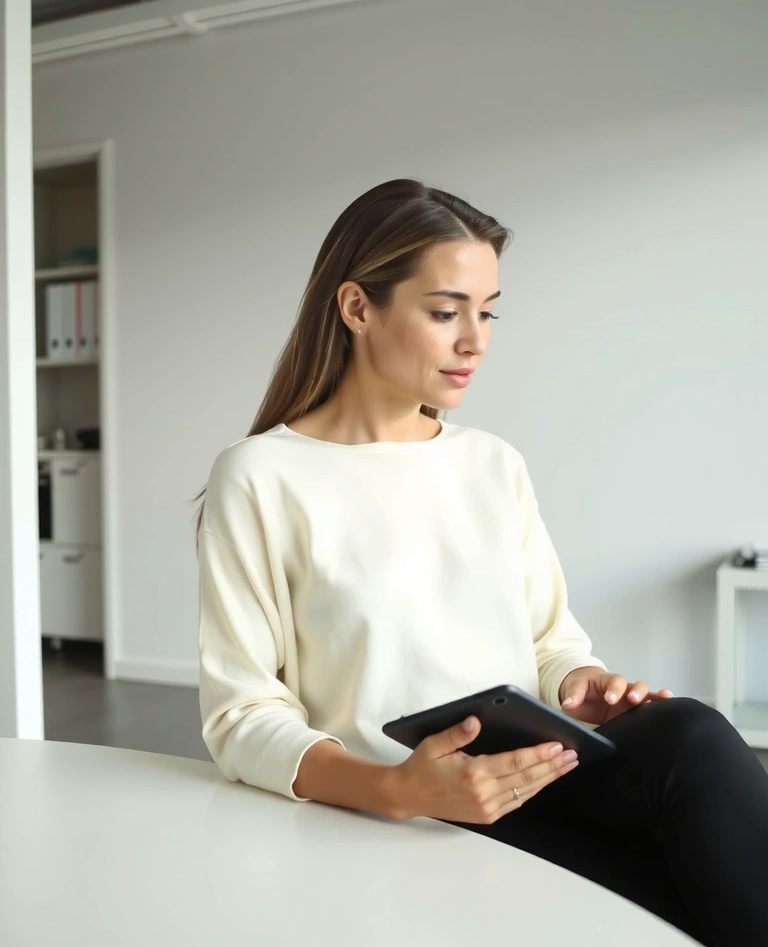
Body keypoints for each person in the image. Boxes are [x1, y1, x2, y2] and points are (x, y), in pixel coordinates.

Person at [197, 179, 768, 947]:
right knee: (674, 897)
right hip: (410, 801)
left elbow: (549, 641)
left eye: (487, 310)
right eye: (445, 313)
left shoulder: (493, 464)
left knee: (690, 733)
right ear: (358, 309)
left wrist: (580, 683)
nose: (477, 340)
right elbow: (240, 716)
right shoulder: (261, 476)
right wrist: (396, 790)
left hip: (538, 769)